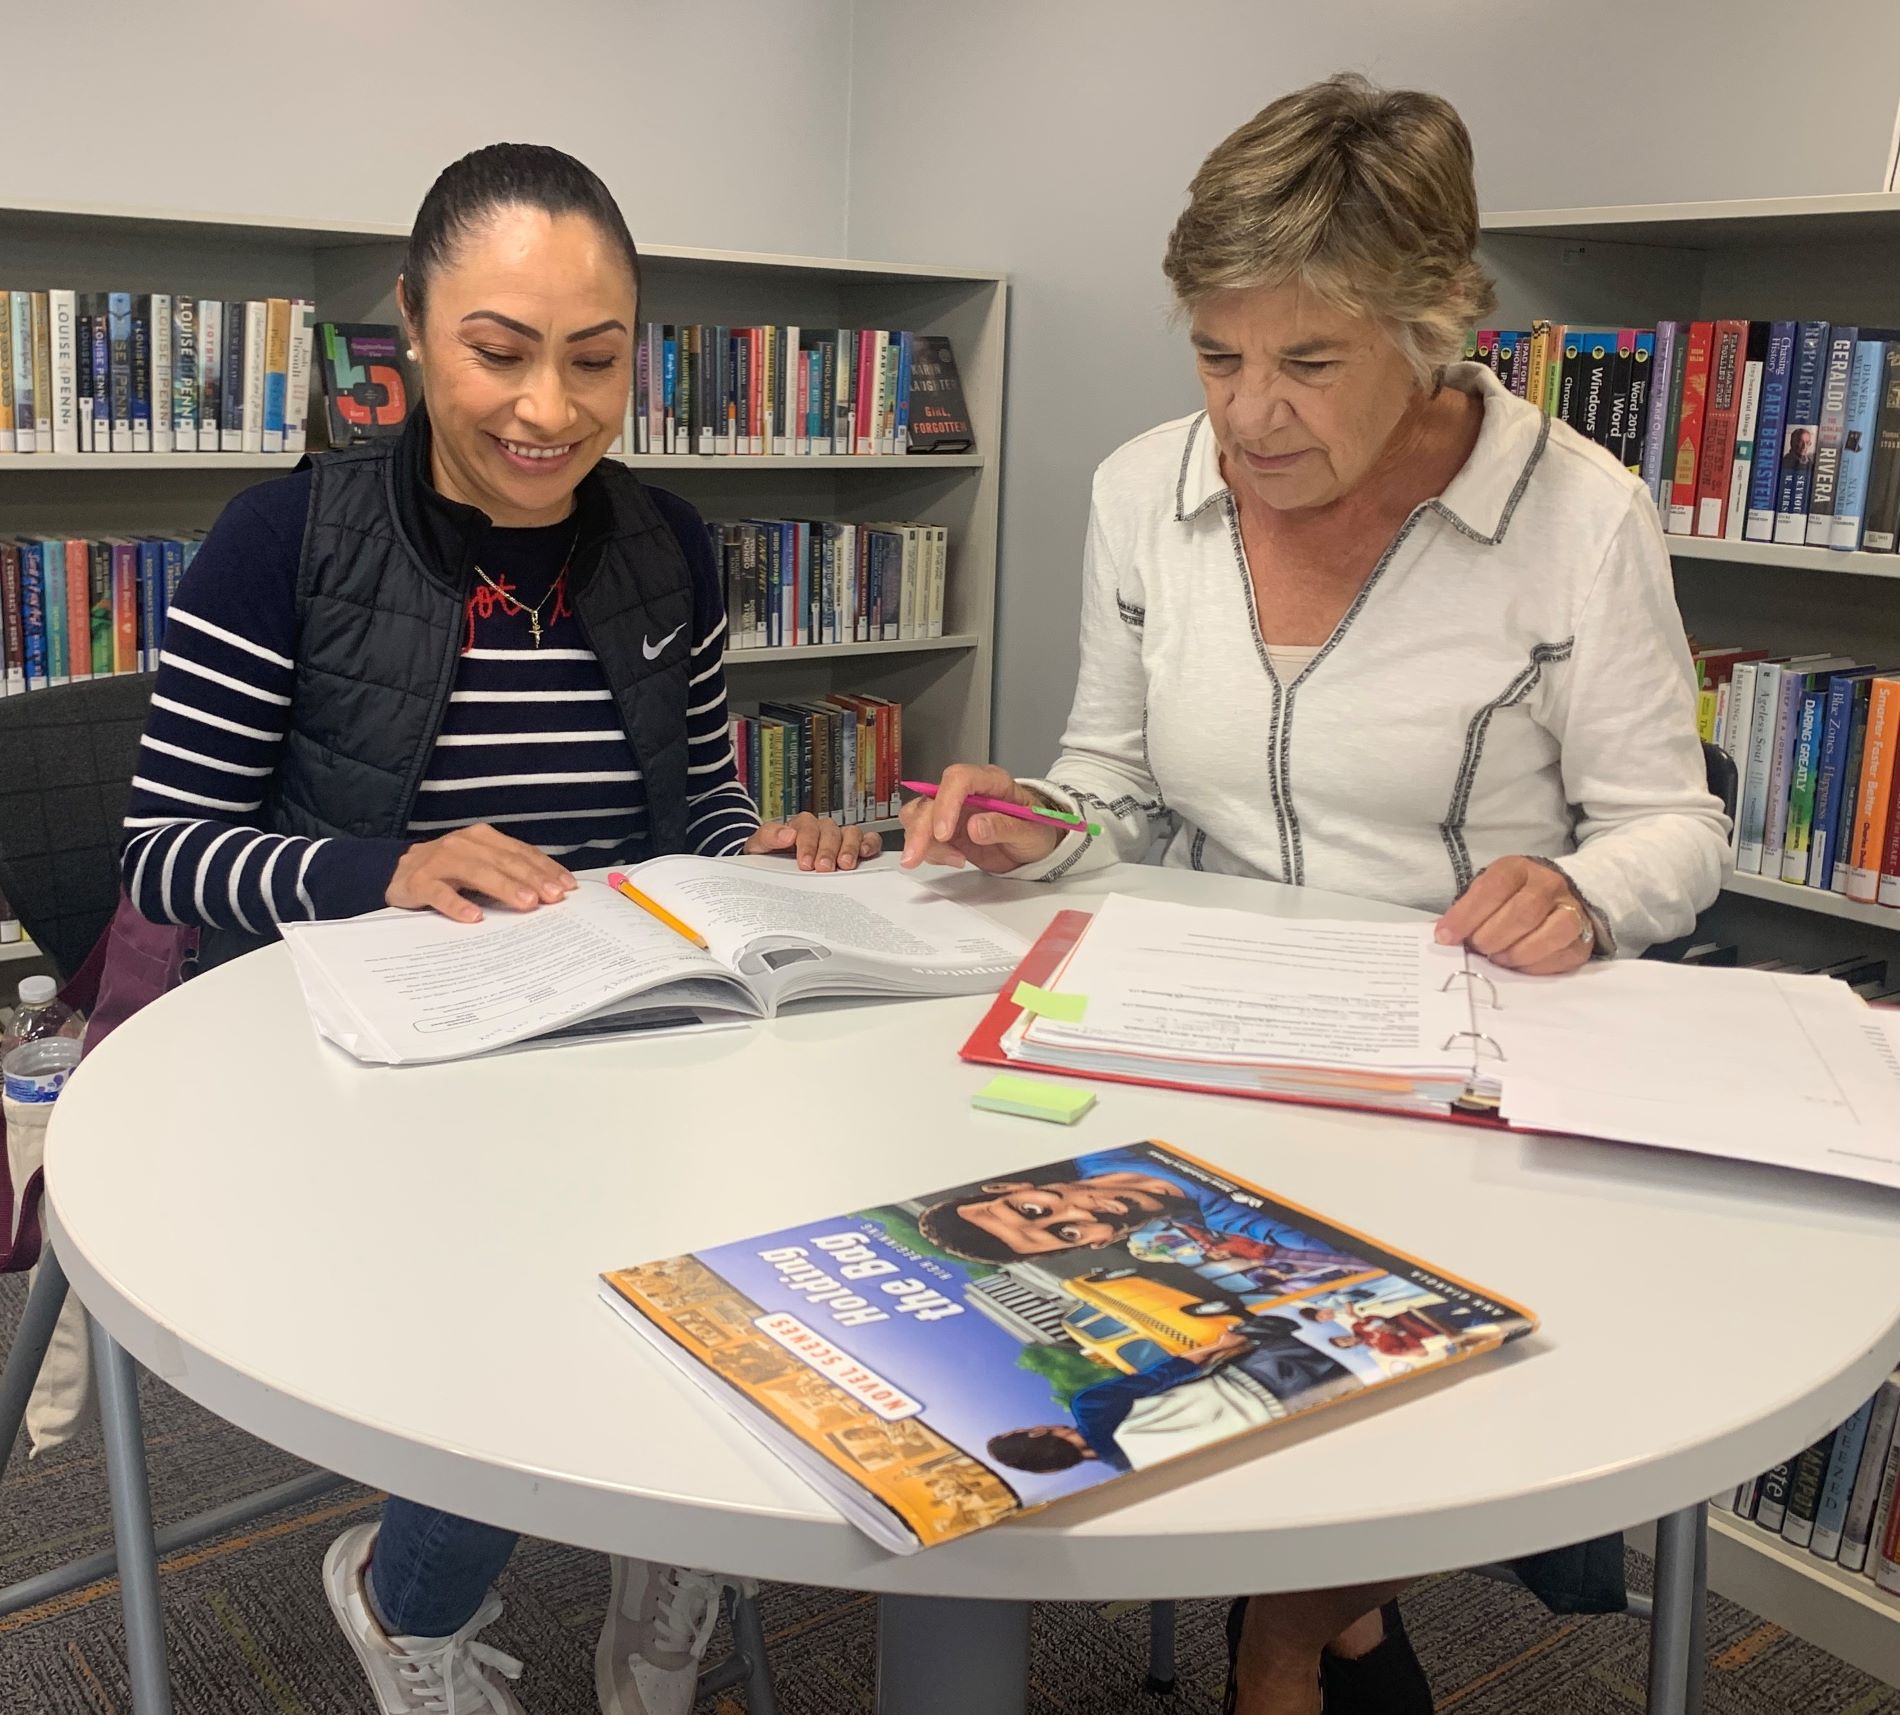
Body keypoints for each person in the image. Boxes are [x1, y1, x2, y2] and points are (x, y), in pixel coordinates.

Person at [901, 73, 1715, 1715]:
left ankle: (1289, 1625)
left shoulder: (1581, 516)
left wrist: (1578, 888)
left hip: (1456, 1050)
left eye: (1309, 361)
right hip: (1183, 1027)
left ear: (1434, 327)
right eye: (1217, 355)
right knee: (1023, 1277)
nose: (1249, 412)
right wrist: (1036, 827)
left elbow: (1674, 827)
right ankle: (1322, 1618)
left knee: (1348, 1332)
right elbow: (1113, 785)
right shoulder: (1145, 492)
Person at [120, 143, 877, 1715]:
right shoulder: (286, 541)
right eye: (500, 351)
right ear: (409, 328)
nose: (550, 410)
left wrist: (777, 862)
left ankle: (674, 1549)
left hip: (622, 1033)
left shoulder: (665, 542)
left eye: (596, 361)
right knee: (550, 1270)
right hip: (369, 1057)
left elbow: (704, 826)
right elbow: (168, 856)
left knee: (826, 1194)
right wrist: (383, 867)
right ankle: (411, 1604)